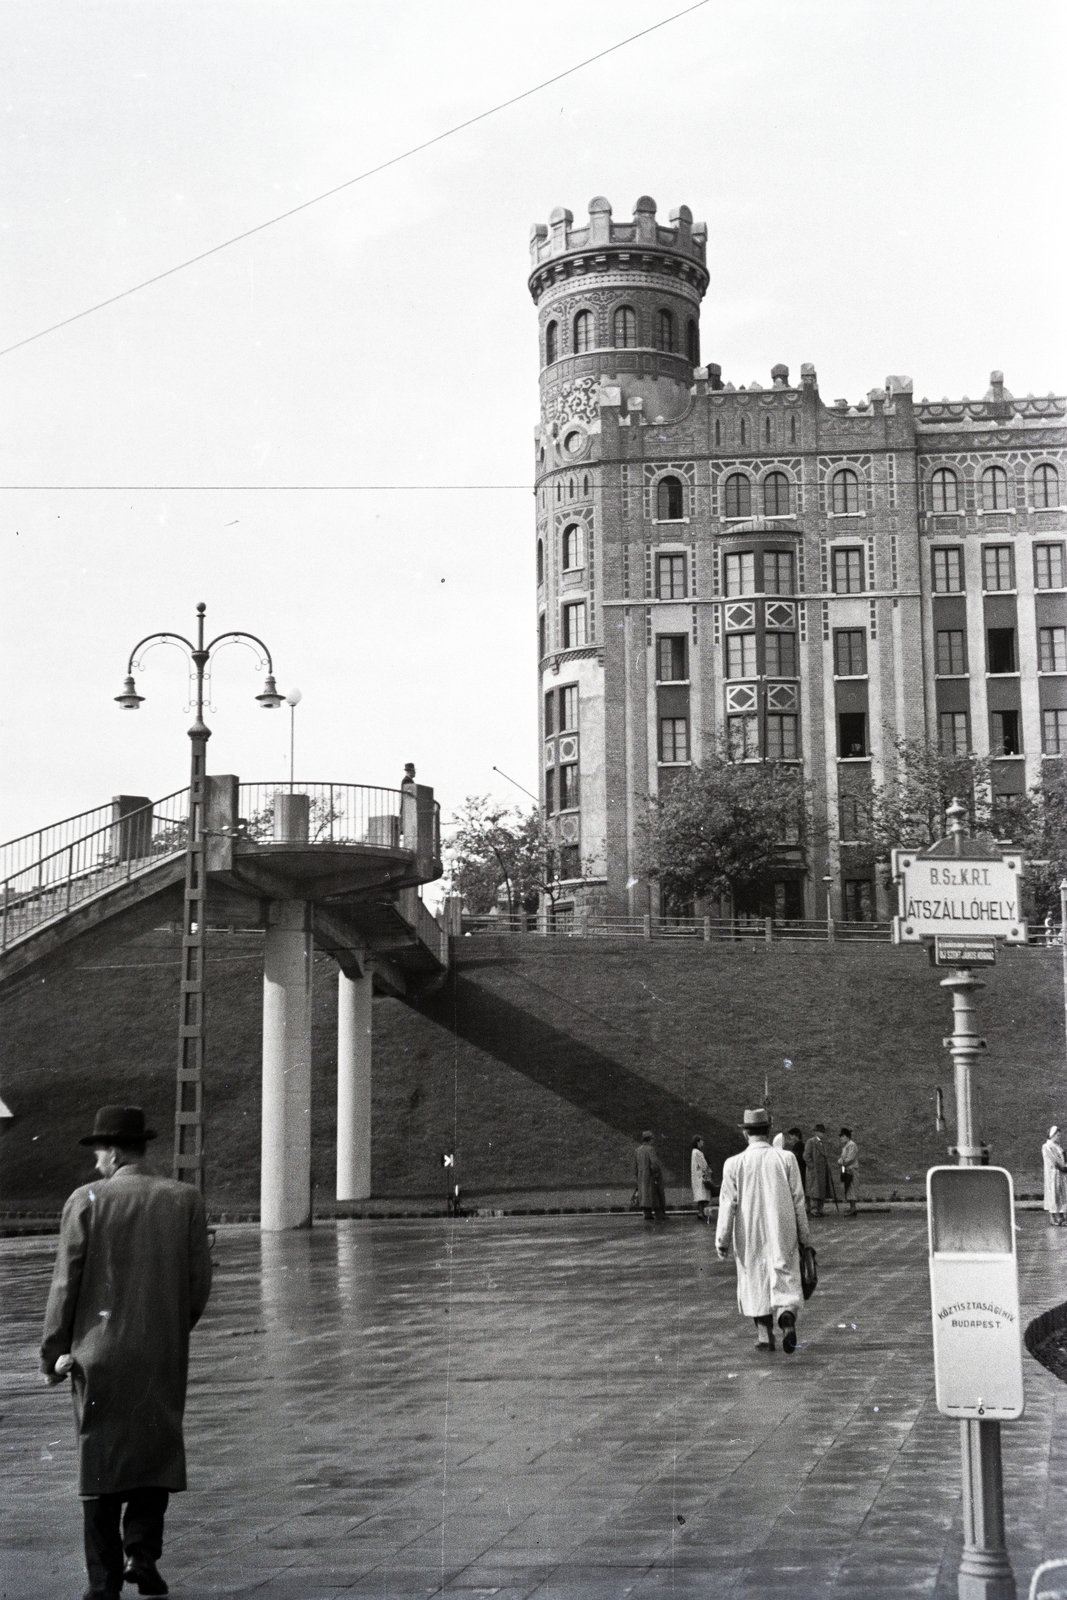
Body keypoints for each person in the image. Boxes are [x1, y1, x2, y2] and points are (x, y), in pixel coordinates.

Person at [40, 1106, 213, 1600]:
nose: (96, 1162)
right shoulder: (185, 1199)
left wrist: (53, 1352)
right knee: (153, 1452)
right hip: (159, 1351)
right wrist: (170, 1329)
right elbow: (198, 1282)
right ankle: (142, 1552)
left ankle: (103, 1582)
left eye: (98, 1152)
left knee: (98, 1461)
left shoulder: (87, 1200)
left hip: (97, 1355)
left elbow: (65, 1282)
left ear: (113, 1152)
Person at [716, 1108, 814, 1352]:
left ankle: (764, 1336)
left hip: (749, 1233)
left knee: (754, 1279)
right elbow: (799, 1201)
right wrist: (805, 1238)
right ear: (769, 1130)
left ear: (745, 1132)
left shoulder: (733, 1164)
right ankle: (786, 1317)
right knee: (784, 1274)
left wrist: (722, 1241)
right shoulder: (786, 1159)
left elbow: (727, 1205)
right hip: (783, 1228)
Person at [635, 1130, 666, 1222]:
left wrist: (637, 1176)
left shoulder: (637, 1150)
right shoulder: (650, 1149)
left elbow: (635, 1166)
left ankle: (647, 1214)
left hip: (641, 1176)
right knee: (655, 1194)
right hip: (650, 1176)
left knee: (644, 1195)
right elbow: (654, 1163)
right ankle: (659, 1214)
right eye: (652, 1139)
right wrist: (656, 1173)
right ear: (649, 1139)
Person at [804, 1124, 834, 1216]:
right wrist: (812, 1167)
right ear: (816, 1132)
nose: (823, 1134)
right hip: (815, 1171)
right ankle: (813, 1209)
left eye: (823, 1132)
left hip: (822, 1171)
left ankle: (820, 1209)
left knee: (821, 1190)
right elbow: (806, 1155)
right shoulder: (811, 1142)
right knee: (814, 1190)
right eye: (821, 1132)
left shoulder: (822, 1143)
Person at [1042, 1125, 1067, 1226]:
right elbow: (1054, 1161)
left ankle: (1061, 1217)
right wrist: (1063, 1167)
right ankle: (1053, 1218)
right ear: (1051, 1135)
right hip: (1053, 1174)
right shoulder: (1047, 1146)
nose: (1059, 1137)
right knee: (1053, 1194)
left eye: (1059, 1135)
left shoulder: (1057, 1145)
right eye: (1057, 1135)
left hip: (1061, 1174)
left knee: (1062, 1194)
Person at [690, 1136, 714, 1222]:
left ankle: (701, 1212)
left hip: (697, 1176)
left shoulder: (694, 1152)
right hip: (701, 1176)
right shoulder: (698, 1152)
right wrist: (707, 1171)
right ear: (698, 1142)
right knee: (702, 1196)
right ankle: (701, 1212)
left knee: (701, 1196)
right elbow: (704, 1165)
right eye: (701, 1141)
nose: (703, 1142)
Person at [838, 1127, 859, 1218]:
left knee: (851, 1188)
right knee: (848, 1188)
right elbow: (842, 1158)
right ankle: (851, 1207)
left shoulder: (851, 1145)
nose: (841, 1138)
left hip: (851, 1170)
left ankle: (853, 1208)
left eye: (842, 1136)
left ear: (847, 1137)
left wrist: (841, 1162)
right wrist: (841, 1161)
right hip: (846, 1169)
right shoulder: (846, 1146)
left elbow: (849, 1158)